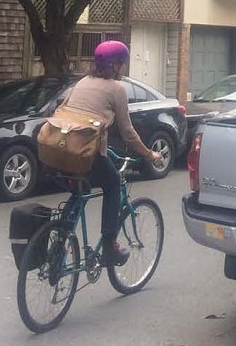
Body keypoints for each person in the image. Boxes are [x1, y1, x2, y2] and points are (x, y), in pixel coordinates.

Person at [60, 39, 162, 266]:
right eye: (123, 63)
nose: (124, 68)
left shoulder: (83, 81)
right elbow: (128, 133)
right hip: (85, 152)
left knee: (81, 189)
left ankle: (59, 236)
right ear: (115, 65)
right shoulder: (117, 89)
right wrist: (148, 155)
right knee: (113, 183)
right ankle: (109, 247)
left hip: (60, 148)